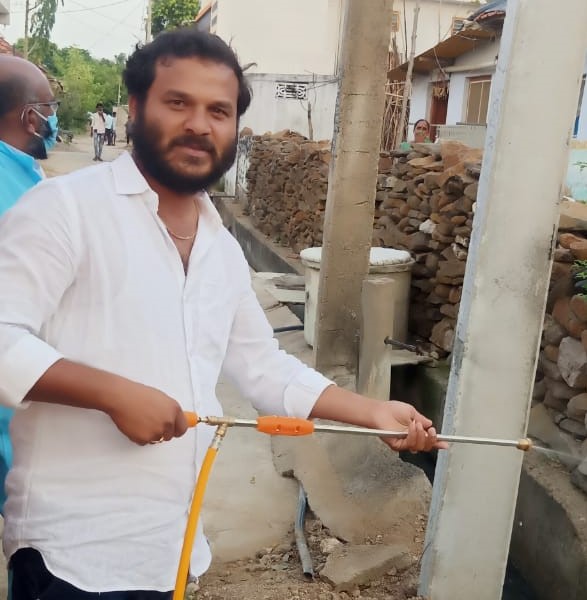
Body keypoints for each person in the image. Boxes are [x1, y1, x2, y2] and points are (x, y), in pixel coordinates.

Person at [0, 29, 444, 600]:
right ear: (135, 107)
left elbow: (264, 368)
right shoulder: (64, 211)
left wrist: (373, 412)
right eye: (177, 102)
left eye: (219, 111)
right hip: (73, 559)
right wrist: (112, 394)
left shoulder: (220, 247)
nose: (199, 125)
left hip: (171, 549)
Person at [0, 54, 59, 516]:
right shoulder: (13, 194)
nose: (53, 119)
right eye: (50, 107)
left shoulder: (22, 174)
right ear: (30, 118)